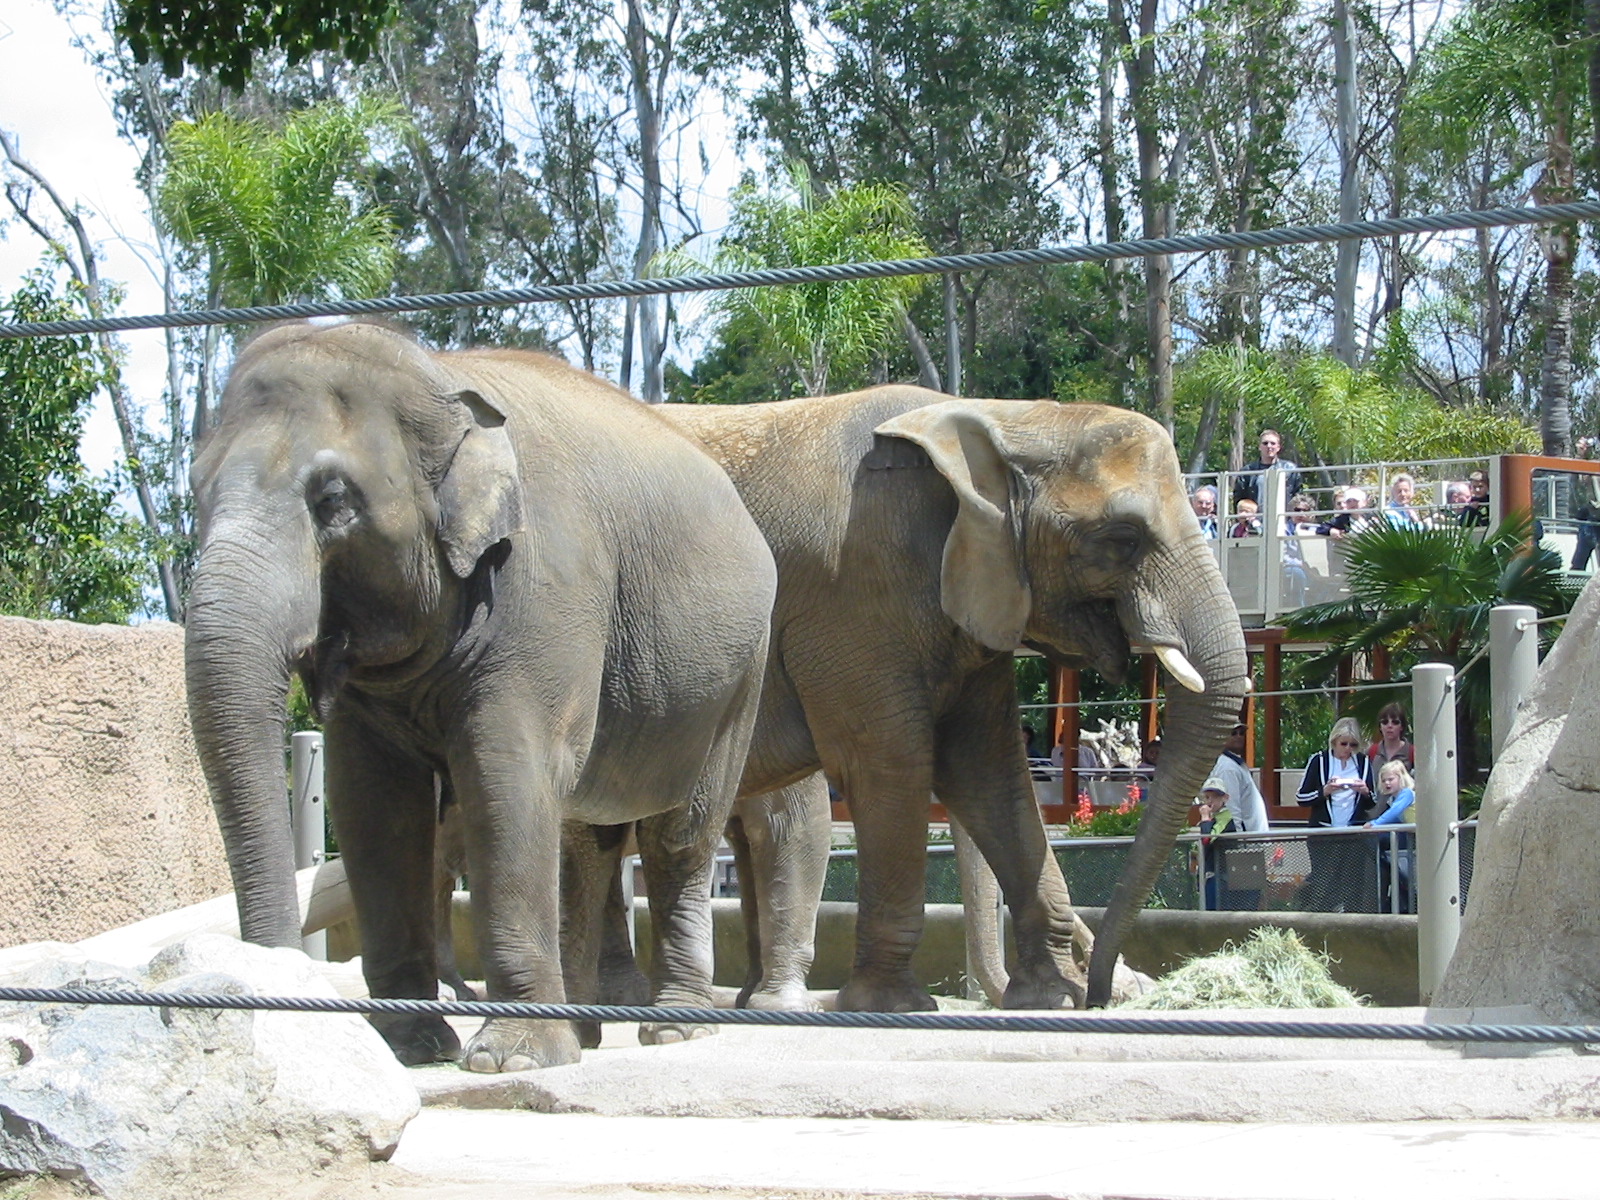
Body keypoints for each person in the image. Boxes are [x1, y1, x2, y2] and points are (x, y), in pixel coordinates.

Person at [1294, 716, 1379, 911]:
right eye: (1343, 744)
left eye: (1353, 745)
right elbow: (1301, 797)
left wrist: (1364, 791)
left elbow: (1372, 801)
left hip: (1353, 834)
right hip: (1323, 834)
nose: (1348, 749)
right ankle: (1320, 918)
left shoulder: (1363, 762)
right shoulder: (1319, 760)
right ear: (1334, 742)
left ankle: (1351, 922)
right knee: (1324, 883)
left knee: (1352, 885)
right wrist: (1325, 791)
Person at [1364, 760, 1416, 912]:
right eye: (1384, 780)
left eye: (1391, 779)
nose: (1387, 783)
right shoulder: (1392, 799)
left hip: (1418, 840)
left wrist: (1375, 823)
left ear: (1401, 777)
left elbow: (1394, 812)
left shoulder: (1407, 793)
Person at [1196, 776, 1246, 910]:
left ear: (1225, 798)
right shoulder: (1214, 819)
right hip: (1210, 874)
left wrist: (1205, 818)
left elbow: (1207, 839)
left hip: (1220, 877)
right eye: (1207, 797)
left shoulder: (1225, 818)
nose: (1210, 801)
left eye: (1215, 796)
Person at [1210, 722, 1269, 833]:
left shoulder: (1236, 764)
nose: (1239, 736)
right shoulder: (1227, 768)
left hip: (1255, 837)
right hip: (1246, 839)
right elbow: (1231, 808)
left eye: (1241, 733)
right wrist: (1237, 838)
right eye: (1233, 733)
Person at [1233, 429, 1304, 508]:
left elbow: (1298, 496)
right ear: (1259, 447)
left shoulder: (1290, 469)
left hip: (1284, 514)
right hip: (1255, 515)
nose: (1269, 446)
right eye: (1265, 443)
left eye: (1273, 443)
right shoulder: (1247, 471)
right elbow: (1239, 500)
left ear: (1278, 447)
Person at [1367, 702, 1414, 768]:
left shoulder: (1412, 752)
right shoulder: (1371, 752)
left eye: (1395, 722)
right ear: (1380, 727)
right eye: (1385, 722)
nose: (1389, 726)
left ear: (1402, 726)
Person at [1571, 472, 1600, 571]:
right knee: (1580, 558)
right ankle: (1575, 573)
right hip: (1592, 518)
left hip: (1594, 518)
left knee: (1580, 557)